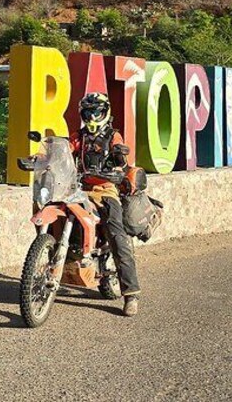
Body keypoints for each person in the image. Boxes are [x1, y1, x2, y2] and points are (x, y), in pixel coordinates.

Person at [69, 92, 141, 317]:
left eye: (96, 111)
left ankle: (131, 294)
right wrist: (40, 156)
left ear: (105, 112)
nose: (92, 116)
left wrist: (120, 159)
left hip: (105, 190)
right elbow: (65, 150)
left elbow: (123, 160)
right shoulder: (78, 136)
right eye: (88, 111)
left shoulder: (113, 136)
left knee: (117, 235)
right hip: (78, 190)